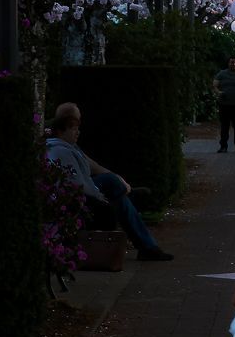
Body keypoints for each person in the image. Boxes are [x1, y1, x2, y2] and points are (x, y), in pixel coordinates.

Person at [45, 103, 173, 261]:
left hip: (83, 197)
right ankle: (147, 244)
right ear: (61, 130)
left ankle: (148, 247)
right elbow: (79, 184)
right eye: (73, 128)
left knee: (119, 197)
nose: (78, 132)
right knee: (111, 183)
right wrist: (100, 194)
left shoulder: (69, 147)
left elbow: (91, 168)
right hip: (77, 201)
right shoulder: (60, 150)